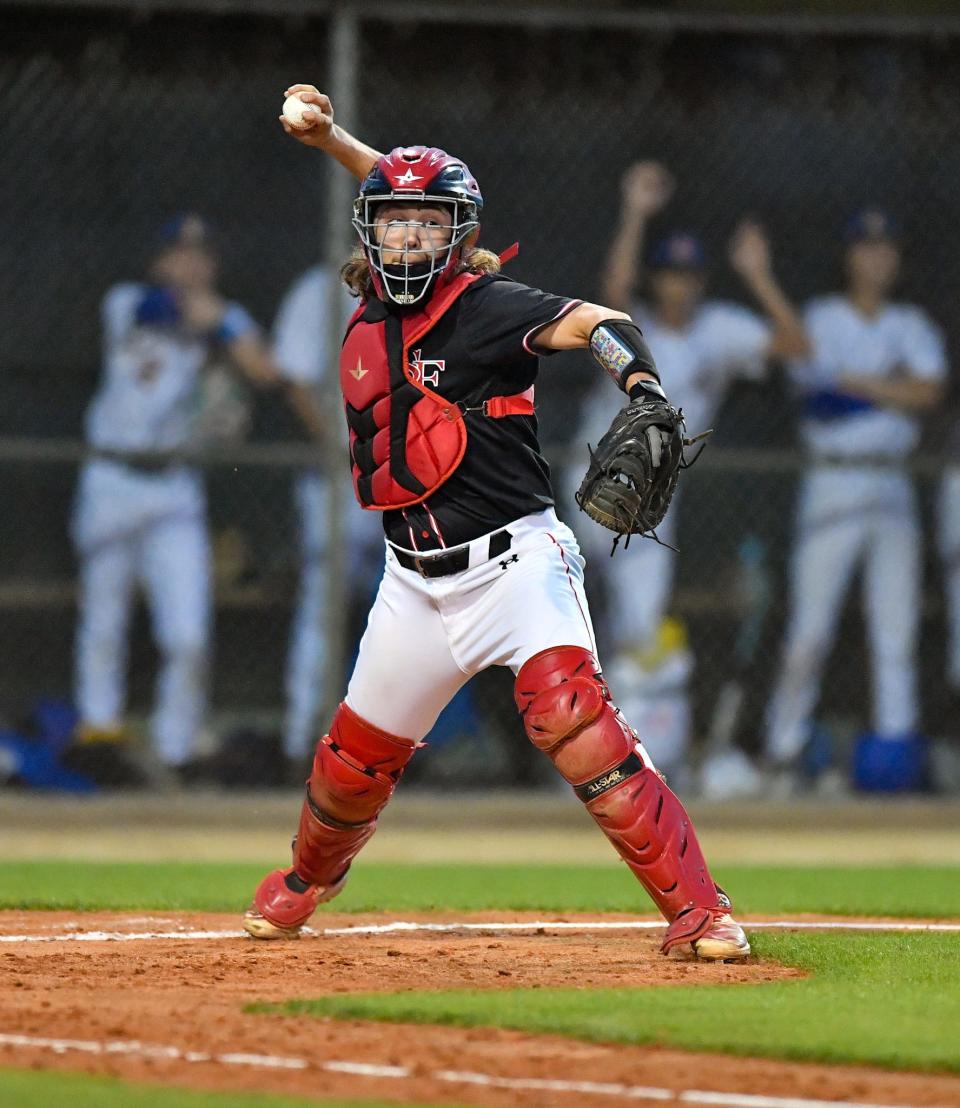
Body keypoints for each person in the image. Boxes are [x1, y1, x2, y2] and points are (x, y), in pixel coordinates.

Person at [242, 83, 751, 962]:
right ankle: (307, 879)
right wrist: (332, 142)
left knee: (573, 719)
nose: (407, 234)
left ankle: (703, 912)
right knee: (351, 765)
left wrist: (641, 384)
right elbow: (397, 185)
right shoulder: (370, 310)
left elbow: (600, 321)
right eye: (393, 222)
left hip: (516, 564)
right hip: (412, 581)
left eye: (427, 225)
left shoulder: (486, 309)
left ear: (457, 237)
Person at [571, 161, 808, 661]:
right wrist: (635, 213)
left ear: (702, 281)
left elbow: (796, 345)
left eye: (689, 275)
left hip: (656, 485)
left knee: (639, 621)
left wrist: (758, 275)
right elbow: (612, 293)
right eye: (670, 275)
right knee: (588, 601)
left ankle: (623, 717)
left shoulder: (717, 328)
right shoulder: (630, 327)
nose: (680, 285)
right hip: (596, 467)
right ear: (655, 281)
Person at [72, 214, 281, 775]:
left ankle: (176, 748)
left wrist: (229, 321)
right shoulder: (126, 302)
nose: (191, 265)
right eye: (180, 254)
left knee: (188, 633)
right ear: (158, 262)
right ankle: (99, 736)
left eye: (202, 255)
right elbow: (166, 311)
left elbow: (265, 373)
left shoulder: (221, 323)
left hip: (173, 492)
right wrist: (222, 320)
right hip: (111, 479)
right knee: (103, 620)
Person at [765, 208, 946, 791]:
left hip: (892, 483)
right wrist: (887, 385)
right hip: (834, 479)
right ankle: (782, 750)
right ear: (850, 256)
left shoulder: (913, 322)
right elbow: (815, 393)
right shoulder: (821, 316)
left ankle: (897, 758)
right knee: (811, 630)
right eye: (867, 248)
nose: (877, 257)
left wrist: (851, 380)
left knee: (896, 631)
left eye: (886, 248)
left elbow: (929, 391)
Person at [272, 264, 383, 766]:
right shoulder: (317, 290)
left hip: (404, 478)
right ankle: (304, 739)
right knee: (322, 609)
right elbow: (294, 380)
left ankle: (391, 746)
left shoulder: (424, 288)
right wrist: (345, 448)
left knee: (409, 614)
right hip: (338, 478)